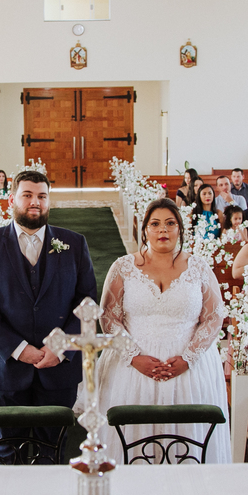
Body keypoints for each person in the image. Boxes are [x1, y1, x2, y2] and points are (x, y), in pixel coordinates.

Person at [84, 198, 231, 463]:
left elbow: (213, 317)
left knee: (188, 439)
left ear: (180, 229)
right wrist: (133, 356)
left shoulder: (198, 267)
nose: (163, 230)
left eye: (170, 223)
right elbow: (109, 317)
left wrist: (189, 358)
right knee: (132, 440)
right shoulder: (123, 267)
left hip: (189, 368)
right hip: (132, 368)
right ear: (145, 230)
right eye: (155, 224)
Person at [0, 169, 97, 463]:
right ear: (12, 199)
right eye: (27, 195)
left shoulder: (74, 244)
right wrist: (19, 349)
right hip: (4, 367)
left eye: (41, 196)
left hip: (58, 367)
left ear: (49, 201)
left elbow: (87, 302)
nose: (35, 202)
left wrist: (60, 346)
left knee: (53, 450)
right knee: (7, 449)